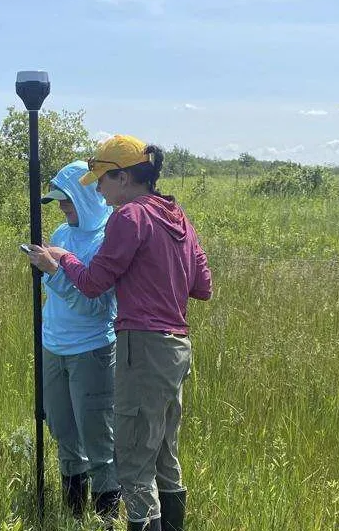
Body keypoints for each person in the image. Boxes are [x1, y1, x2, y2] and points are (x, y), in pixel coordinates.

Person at [28, 136, 213, 531]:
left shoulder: (130, 217)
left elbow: (94, 285)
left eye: (103, 180)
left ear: (124, 177)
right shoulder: (176, 215)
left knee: (132, 456)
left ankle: (142, 523)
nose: (99, 189)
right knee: (164, 449)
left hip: (141, 345)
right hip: (176, 343)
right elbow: (203, 286)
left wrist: (66, 260)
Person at [35, 160, 121, 526]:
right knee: (65, 437)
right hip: (54, 348)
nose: (61, 208)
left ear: (86, 196)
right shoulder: (61, 234)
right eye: (58, 201)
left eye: (67, 200)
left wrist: (53, 272)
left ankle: (105, 518)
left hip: (92, 352)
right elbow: (53, 293)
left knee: (98, 442)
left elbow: (97, 306)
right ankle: (73, 518)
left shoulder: (107, 241)